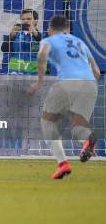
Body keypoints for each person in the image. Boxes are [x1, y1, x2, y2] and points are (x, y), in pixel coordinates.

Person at [27, 15, 101, 179]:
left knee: (47, 120)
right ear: (68, 29)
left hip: (67, 82)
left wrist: (39, 82)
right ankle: (88, 139)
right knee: (77, 128)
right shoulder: (80, 42)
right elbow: (96, 71)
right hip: (90, 85)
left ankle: (63, 164)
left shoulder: (49, 40)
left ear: (50, 30)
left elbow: (42, 56)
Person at [1, 9, 41, 74]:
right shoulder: (15, 34)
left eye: (29, 19)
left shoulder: (42, 34)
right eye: (23, 19)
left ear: (36, 21)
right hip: (16, 71)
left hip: (34, 71)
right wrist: (11, 37)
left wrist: (36, 34)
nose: (25, 21)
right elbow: (4, 49)